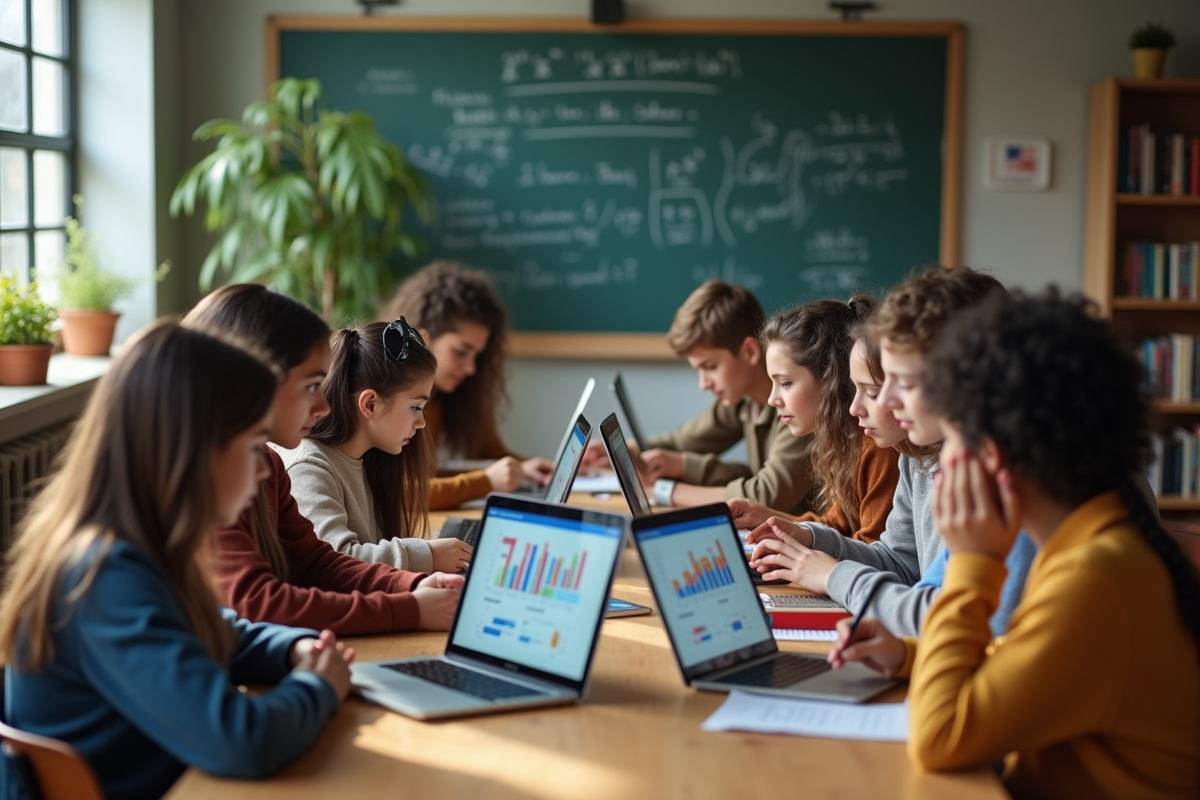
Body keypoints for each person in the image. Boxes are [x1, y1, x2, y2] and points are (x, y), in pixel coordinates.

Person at [829, 291, 1200, 800]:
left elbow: (939, 738)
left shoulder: (1094, 577)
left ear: (997, 445)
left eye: (953, 438)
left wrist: (973, 566)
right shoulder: (1088, 546)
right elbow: (1016, 662)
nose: (940, 462)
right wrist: (908, 655)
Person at [0, 322, 354, 800]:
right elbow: (241, 740)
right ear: (191, 453)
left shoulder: (138, 548)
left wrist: (292, 650)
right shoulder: (103, 576)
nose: (263, 468)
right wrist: (317, 688)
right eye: (253, 447)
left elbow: (215, 628)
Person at [746, 266, 1034, 637]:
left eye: (901, 383)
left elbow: (954, 627)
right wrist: (814, 541)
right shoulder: (921, 455)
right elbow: (903, 565)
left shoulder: (1006, 483)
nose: (887, 403)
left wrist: (832, 575)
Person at [183, 284, 464, 635]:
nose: (323, 407)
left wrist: (410, 587)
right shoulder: (204, 477)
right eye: (310, 387)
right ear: (253, 382)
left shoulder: (267, 464)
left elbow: (316, 563)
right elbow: (257, 603)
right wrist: (406, 608)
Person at [585, 279, 817, 514]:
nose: (703, 383)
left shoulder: (799, 407)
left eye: (710, 366)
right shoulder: (742, 401)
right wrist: (619, 451)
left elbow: (766, 493)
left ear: (749, 351)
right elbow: (680, 443)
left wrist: (665, 490)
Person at [281, 320, 473, 573]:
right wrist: (426, 555)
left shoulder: (370, 457)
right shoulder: (309, 468)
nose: (422, 422)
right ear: (370, 404)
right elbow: (334, 560)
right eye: (415, 407)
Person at [381, 261, 554, 509]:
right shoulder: (390, 400)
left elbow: (489, 451)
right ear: (422, 339)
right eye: (461, 352)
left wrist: (528, 469)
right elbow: (401, 492)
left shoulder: (451, 395)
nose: (471, 368)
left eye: (477, 356)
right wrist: (485, 481)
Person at [729, 305, 903, 544]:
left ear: (831, 379)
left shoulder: (880, 446)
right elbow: (836, 527)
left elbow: (871, 548)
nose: (772, 399)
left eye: (786, 383)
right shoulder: (846, 440)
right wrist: (766, 517)